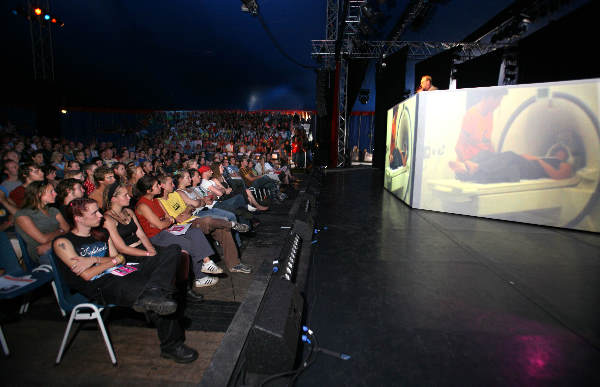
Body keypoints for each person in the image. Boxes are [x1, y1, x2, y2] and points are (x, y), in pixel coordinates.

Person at [53, 198, 198, 363]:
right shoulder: (63, 243)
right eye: (94, 213)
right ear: (78, 218)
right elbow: (87, 275)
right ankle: (171, 346)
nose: (100, 215)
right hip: (100, 285)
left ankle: (154, 291)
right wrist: (109, 261)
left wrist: (95, 260)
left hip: (120, 271)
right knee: (160, 298)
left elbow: (120, 258)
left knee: (173, 250)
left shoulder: (101, 233)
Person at [134, 176, 224, 293]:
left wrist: (166, 221)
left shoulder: (156, 200)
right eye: (157, 185)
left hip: (168, 230)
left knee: (195, 232)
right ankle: (201, 275)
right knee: (188, 243)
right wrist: (166, 222)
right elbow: (161, 225)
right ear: (148, 190)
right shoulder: (143, 205)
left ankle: (206, 264)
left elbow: (170, 219)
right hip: (156, 237)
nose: (160, 187)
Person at [448, 144, 574, 183]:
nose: (557, 154)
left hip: (535, 170)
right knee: (488, 154)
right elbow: (525, 157)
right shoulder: (545, 159)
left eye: (560, 153)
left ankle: (476, 166)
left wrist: (540, 161)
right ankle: (465, 169)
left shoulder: (564, 164)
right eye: (556, 152)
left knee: (509, 155)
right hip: (528, 165)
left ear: (565, 156)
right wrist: (535, 158)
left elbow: (558, 176)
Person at [14, 181, 70, 265]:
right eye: (51, 191)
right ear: (39, 194)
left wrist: (51, 243)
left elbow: (67, 229)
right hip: (42, 254)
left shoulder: (53, 210)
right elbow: (42, 239)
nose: (55, 194)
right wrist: (61, 231)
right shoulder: (22, 215)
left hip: (56, 245)